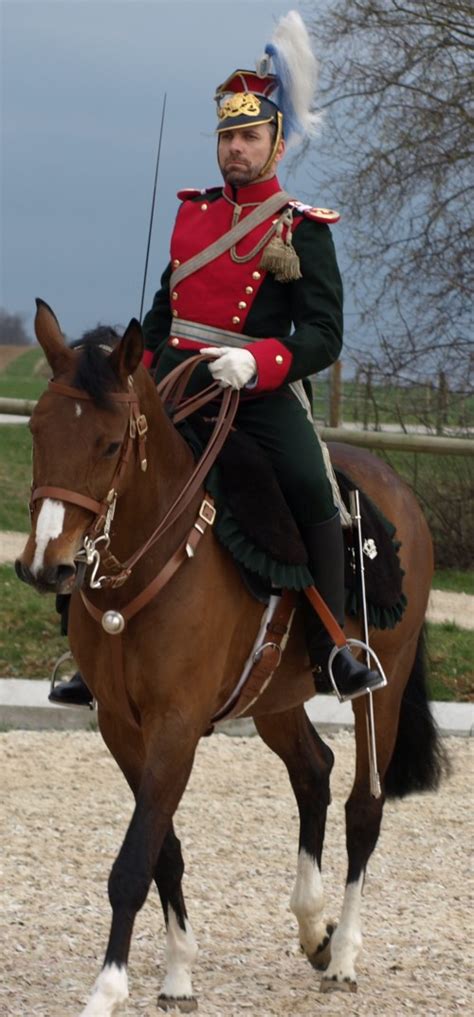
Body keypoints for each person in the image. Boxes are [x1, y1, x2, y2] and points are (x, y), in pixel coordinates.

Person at [50, 11, 384, 707]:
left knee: (311, 487)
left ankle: (333, 649)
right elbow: (167, 309)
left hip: (257, 392)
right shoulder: (192, 212)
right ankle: (81, 646)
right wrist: (134, 367)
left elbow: (324, 334)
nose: (235, 149)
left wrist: (258, 363)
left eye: (249, 136)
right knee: (100, 467)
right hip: (175, 378)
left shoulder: (301, 228)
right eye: (227, 136)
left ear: (276, 144)